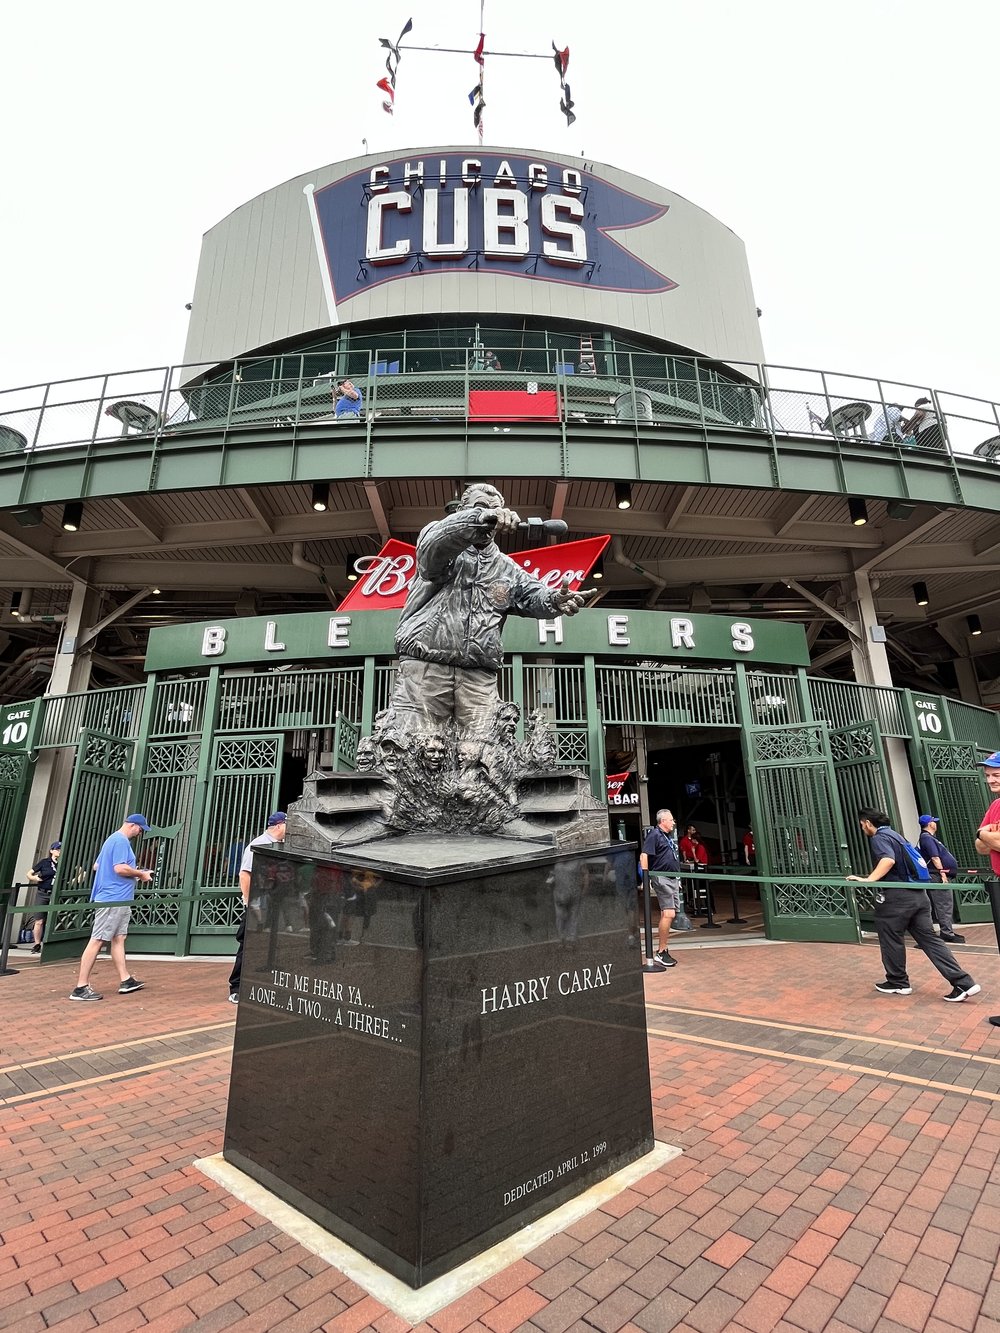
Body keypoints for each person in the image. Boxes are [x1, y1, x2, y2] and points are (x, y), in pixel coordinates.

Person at [388, 483, 587, 739]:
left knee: (485, 753)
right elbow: (430, 556)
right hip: (426, 669)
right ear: (461, 510)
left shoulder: (505, 567)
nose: (489, 514)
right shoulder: (443, 540)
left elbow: (533, 595)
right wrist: (478, 519)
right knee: (412, 747)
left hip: (478, 677)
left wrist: (555, 600)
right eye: (479, 506)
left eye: (495, 510)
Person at [848, 807, 978, 1002]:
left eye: (861, 824)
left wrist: (869, 880)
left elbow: (888, 859)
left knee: (890, 936)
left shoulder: (879, 838)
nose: (862, 828)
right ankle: (963, 982)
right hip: (918, 895)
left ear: (867, 822)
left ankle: (898, 982)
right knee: (930, 940)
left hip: (897, 897)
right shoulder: (897, 836)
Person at [69, 815, 152, 1001]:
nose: (140, 833)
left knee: (118, 937)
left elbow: (97, 866)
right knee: (98, 939)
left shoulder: (111, 840)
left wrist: (132, 872)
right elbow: (120, 869)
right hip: (113, 898)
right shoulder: (121, 841)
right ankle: (80, 987)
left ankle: (126, 979)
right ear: (132, 825)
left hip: (116, 897)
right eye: (140, 829)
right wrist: (141, 874)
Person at [230, 812, 286, 1004]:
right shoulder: (259, 844)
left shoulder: (280, 845)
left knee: (267, 940)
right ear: (278, 826)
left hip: (272, 899)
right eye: (287, 824)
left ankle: (262, 976)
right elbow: (245, 874)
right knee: (248, 943)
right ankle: (236, 987)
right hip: (258, 901)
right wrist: (249, 901)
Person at [973, 753, 1000, 1027]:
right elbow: (980, 848)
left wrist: (984, 834)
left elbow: (983, 838)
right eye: (988, 775)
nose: (990, 779)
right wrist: (987, 837)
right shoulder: (995, 805)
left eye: (997, 775)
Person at [640, 809, 683, 968]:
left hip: (671, 878)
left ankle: (663, 950)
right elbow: (644, 856)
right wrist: (645, 877)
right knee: (668, 913)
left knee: (671, 913)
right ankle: (661, 951)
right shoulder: (654, 835)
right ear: (663, 821)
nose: (673, 822)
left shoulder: (666, 836)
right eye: (671, 820)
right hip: (662, 878)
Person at [916, 814, 964, 942]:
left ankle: (947, 931)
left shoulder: (929, 838)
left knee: (945, 903)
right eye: (933, 822)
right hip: (937, 875)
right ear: (930, 824)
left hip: (937, 874)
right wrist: (943, 875)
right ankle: (947, 932)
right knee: (944, 903)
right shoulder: (927, 838)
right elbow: (935, 858)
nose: (935, 824)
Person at [23, 840, 61, 953]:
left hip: (56, 894)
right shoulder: (45, 862)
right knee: (39, 920)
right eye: (57, 849)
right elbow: (29, 873)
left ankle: (52, 944)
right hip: (43, 892)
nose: (60, 851)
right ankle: (37, 943)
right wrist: (35, 878)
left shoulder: (64, 863)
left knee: (55, 919)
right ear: (51, 851)